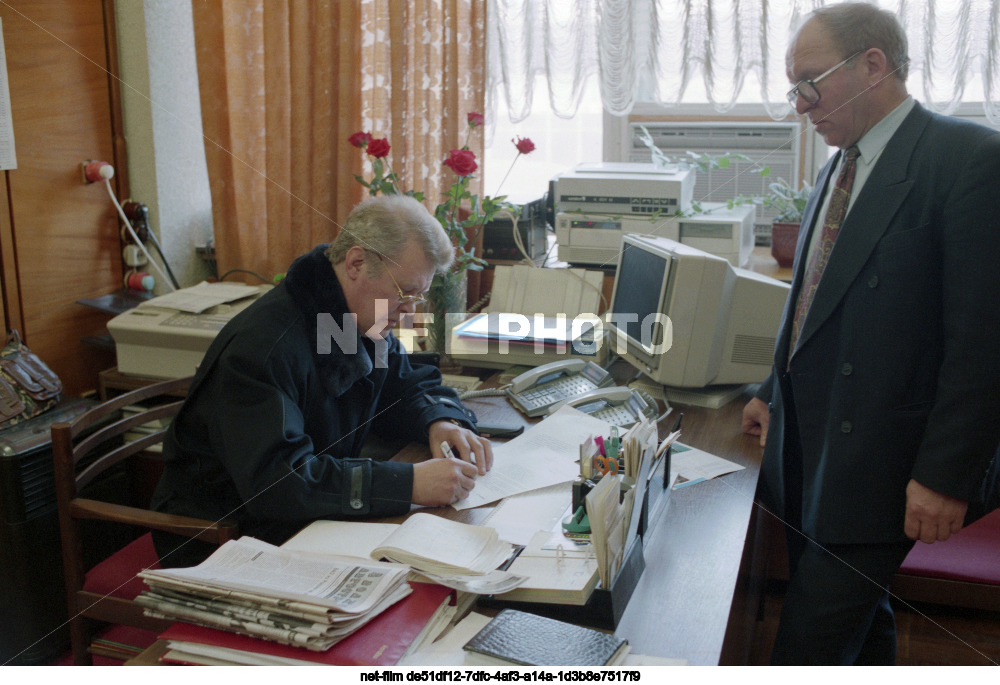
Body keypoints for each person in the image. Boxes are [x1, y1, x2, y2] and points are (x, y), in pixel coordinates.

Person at [741, 2, 1000, 665]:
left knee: (805, 650)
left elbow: (983, 342)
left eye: (809, 84)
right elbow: (816, 302)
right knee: (862, 621)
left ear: (873, 65)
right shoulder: (838, 166)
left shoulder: (970, 159)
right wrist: (772, 388)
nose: (800, 105)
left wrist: (946, 476)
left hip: (886, 465)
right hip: (811, 448)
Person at [151, 195, 493, 567]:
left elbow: (405, 383)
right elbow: (281, 483)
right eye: (404, 292)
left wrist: (440, 419)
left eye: (418, 295)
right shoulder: (263, 350)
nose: (411, 310)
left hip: (306, 519)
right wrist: (408, 484)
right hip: (224, 540)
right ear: (357, 263)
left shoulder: (348, 317)